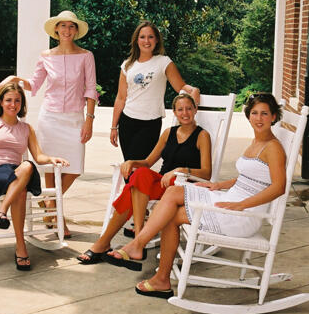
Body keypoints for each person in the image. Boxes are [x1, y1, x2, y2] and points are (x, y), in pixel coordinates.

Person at [102, 93, 286, 297]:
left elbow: (279, 187)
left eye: (264, 114)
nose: (258, 118)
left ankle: (139, 247)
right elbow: (248, 179)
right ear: (248, 116)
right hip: (232, 200)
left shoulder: (273, 148)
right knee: (172, 200)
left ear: (274, 117)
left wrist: (242, 205)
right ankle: (159, 276)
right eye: (254, 113)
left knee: (172, 201)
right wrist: (218, 185)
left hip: (243, 215)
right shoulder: (256, 142)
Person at [0, 10, 97, 238]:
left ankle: (50, 206)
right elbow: (34, 84)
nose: (67, 31)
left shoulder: (86, 56)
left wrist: (89, 120)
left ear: (76, 31)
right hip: (49, 118)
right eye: (63, 26)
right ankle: (54, 213)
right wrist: (15, 79)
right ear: (56, 30)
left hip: (74, 119)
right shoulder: (46, 56)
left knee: (75, 168)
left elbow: (91, 89)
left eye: (72, 27)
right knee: (50, 169)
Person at [77, 93, 211, 265]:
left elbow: (207, 173)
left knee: (131, 188)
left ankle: (105, 243)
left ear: (195, 110)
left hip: (180, 186)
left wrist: (181, 169)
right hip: (162, 182)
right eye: (180, 109)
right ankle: (138, 239)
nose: (185, 113)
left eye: (188, 109)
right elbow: (148, 162)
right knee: (139, 174)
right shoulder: (168, 133)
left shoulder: (202, 136)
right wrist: (132, 161)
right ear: (175, 112)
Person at [0, 82, 69, 270]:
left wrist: (52, 158)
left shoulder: (26, 128)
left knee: (26, 167)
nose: (12, 104)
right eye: (8, 100)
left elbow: (38, 157)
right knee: (21, 189)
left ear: (22, 104)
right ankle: (20, 246)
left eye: (17, 100)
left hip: (17, 172)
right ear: (0, 102)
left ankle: (2, 212)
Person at [110, 21, 200, 167]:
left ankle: (133, 190)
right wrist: (114, 127)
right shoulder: (127, 65)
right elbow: (121, 98)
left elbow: (181, 86)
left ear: (157, 40)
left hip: (150, 123)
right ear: (136, 40)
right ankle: (131, 190)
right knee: (129, 167)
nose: (146, 41)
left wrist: (194, 90)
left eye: (151, 37)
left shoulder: (164, 62)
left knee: (137, 167)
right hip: (127, 122)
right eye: (142, 37)